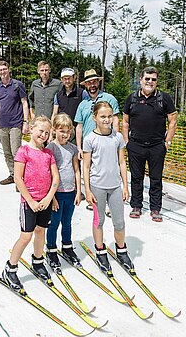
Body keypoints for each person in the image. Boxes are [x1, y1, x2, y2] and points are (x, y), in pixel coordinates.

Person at [2, 116, 60, 291]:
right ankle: (10, 268)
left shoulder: (48, 153)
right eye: (41, 131)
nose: (43, 135)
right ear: (32, 129)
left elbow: (55, 177)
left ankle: (38, 261)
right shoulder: (24, 151)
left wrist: (49, 198)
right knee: (26, 236)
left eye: (47, 132)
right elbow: (18, 179)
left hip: (45, 201)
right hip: (29, 202)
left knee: (41, 231)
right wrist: (31, 201)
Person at [82, 101, 133, 273]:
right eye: (103, 116)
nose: (107, 119)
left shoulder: (117, 137)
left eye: (109, 116)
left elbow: (121, 161)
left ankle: (121, 250)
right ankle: (100, 250)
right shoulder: (90, 139)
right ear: (95, 117)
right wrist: (87, 190)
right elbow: (87, 166)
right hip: (97, 187)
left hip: (115, 187)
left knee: (119, 221)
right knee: (99, 221)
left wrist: (125, 186)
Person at [122, 66, 177, 222]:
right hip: (136, 145)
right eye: (147, 78)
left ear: (156, 81)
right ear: (141, 80)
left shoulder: (164, 98)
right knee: (136, 177)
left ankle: (155, 208)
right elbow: (125, 122)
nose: (150, 82)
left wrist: (168, 142)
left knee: (156, 178)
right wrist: (127, 142)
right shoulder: (131, 98)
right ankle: (136, 206)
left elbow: (172, 121)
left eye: (153, 79)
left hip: (157, 146)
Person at [74, 68, 119, 212]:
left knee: (107, 171)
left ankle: (109, 203)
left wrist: (116, 141)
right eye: (89, 83)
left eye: (94, 82)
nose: (92, 85)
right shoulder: (83, 104)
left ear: (98, 82)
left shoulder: (109, 98)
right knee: (90, 172)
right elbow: (79, 126)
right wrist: (79, 147)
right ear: (85, 85)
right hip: (89, 145)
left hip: (106, 142)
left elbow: (116, 120)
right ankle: (93, 199)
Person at [45, 113, 82, 269]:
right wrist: (51, 196)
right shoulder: (51, 148)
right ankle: (51, 250)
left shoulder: (72, 148)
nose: (65, 135)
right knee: (54, 223)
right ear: (54, 130)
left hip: (70, 192)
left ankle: (67, 247)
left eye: (67, 131)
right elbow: (47, 173)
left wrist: (79, 191)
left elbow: (76, 170)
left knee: (67, 222)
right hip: (57, 194)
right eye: (61, 131)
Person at [51, 67, 90, 137]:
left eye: (69, 78)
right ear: (61, 80)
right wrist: (52, 129)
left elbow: (88, 113)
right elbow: (55, 113)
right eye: (65, 79)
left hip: (77, 131)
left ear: (74, 78)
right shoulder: (58, 95)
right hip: (62, 131)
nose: (67, 81)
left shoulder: (82, 93)